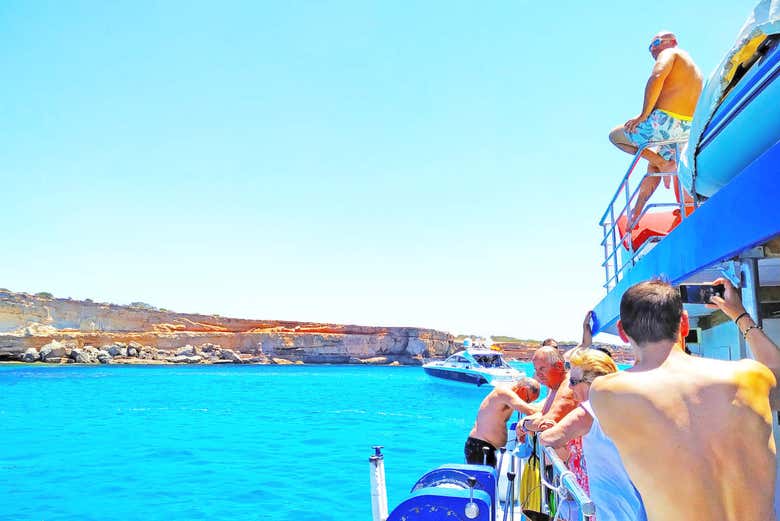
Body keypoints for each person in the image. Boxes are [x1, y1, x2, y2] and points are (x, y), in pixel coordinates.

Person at [590, 279, 776, 521]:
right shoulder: (751, 375)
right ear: (685, 324)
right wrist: (739, 314)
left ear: (622, 332)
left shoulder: (607, 392)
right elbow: (775, 368)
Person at [539, 348, 647, 521]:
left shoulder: (589, 410)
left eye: (573, 381)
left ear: (593, 383)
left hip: (608, 512)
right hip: (633, 509)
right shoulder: (624, 407)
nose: (569, 387)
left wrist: (548, 428)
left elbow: (546, 439)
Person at [608, 31, 703, 222]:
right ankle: (637, 211)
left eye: (657, 42)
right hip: (685, 129)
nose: (653, 49)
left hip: (666, 122)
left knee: (615, 136)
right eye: (650, 47)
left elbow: (657, 75)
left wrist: (643, 115)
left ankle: (664, 164)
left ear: (672, 41)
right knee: (653, 164)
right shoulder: (692, 67)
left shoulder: (671, 53)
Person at [465, 377, 541, 467]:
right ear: (523, 390)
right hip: (480, 448)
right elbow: (530, 411)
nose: (526, 403)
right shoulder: (504, 393)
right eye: (528, 400)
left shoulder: (510, 396)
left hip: (486, 448)